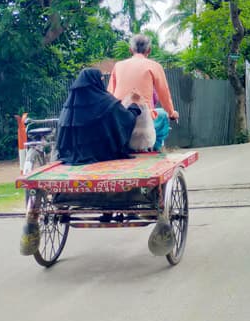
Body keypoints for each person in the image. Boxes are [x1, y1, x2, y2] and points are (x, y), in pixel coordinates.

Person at [21, 68, 141, 256]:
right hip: (104, 158)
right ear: (96, 82)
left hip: (72, 161)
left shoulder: (68, 109)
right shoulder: (106, 103)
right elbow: (125, 120)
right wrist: (134, 107)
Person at [108, 34, 179, 151]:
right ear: (149, 50)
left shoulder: (118, 66)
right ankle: (156, 149)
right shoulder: (155, 66)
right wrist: (172, 113)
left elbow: (110, 94)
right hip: (144, 121)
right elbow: (164, 95)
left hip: (119, 121)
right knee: (163, 115)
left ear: (130, 50)